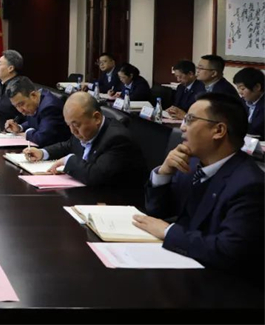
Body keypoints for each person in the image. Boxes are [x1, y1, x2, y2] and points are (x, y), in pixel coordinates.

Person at [133, 93, 264, 276]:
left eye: (190, 119)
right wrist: (164, 173)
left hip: (222, 282)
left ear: (219, 130)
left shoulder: (249, 185)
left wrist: (169, 231)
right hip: (181, 263)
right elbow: (158, 211)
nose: (182, 126)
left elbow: (228, 250)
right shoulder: (191, 163)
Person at [22, 93, 146, 186]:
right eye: (69, 125)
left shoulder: (117, 139)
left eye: (76, 125)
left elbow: (95, 175)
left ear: (96, 118)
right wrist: (43, 153)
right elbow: (69, 145)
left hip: (118, 202)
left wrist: (68, 160)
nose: (72, 131)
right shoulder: (84, 130)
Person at [4, 76, 70, 147]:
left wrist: (23, 134)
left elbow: (42, 138)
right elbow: (36, 121)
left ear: (33, 95)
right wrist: (19, 128)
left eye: (21, 104)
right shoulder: (37, 101)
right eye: (16, 106)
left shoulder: (50, 108)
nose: (20, 110)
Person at [233, 67, 264, 137]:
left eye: (242, 88)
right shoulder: (241, 102)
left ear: (257, 87)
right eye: (238, 88)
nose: (240, 92)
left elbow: (257, 129)